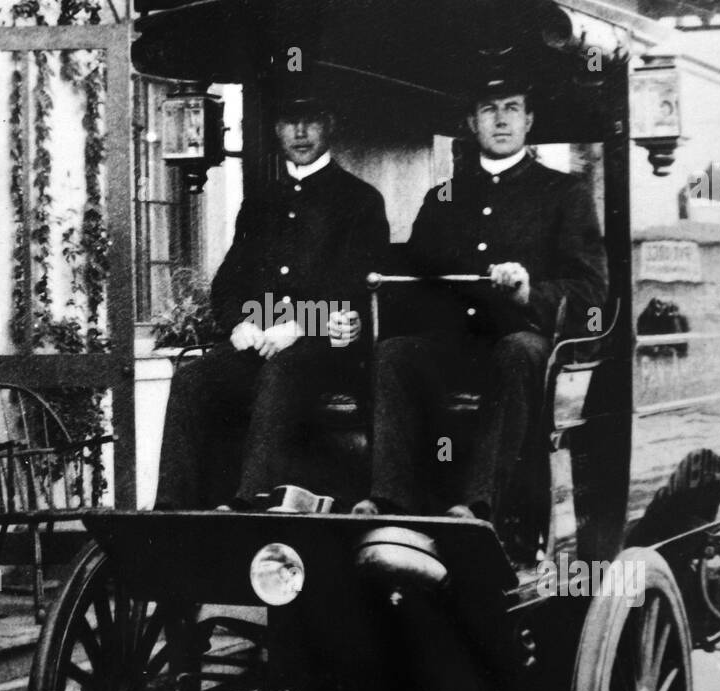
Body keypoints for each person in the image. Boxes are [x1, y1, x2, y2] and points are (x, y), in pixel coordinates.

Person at [353, 69, 608, 554]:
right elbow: (419, 278)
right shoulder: (444, 197)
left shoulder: (564, 194)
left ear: (529, 120)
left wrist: (529, 292)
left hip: (526, 344)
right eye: (489, 110)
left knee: (515, 352)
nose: (501, 119)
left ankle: (479, 507)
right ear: (472, 123)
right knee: (395, 353)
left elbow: (591, 290)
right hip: (454, 348)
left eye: (512, 108)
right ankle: (388, 499)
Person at [155, 89, 390, 509]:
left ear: (330, 124)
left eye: (311, 119)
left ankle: (249, 503)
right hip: (261, 341)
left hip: (328, 349)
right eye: (288, 122)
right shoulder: (261, 202)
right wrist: (240, 325)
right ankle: (173, 511)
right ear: (276, 129)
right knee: (192, 378)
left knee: (282, 369)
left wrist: (295, 327)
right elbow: (229, 284)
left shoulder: (360, 201)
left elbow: (353, 287)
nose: (299, 132)